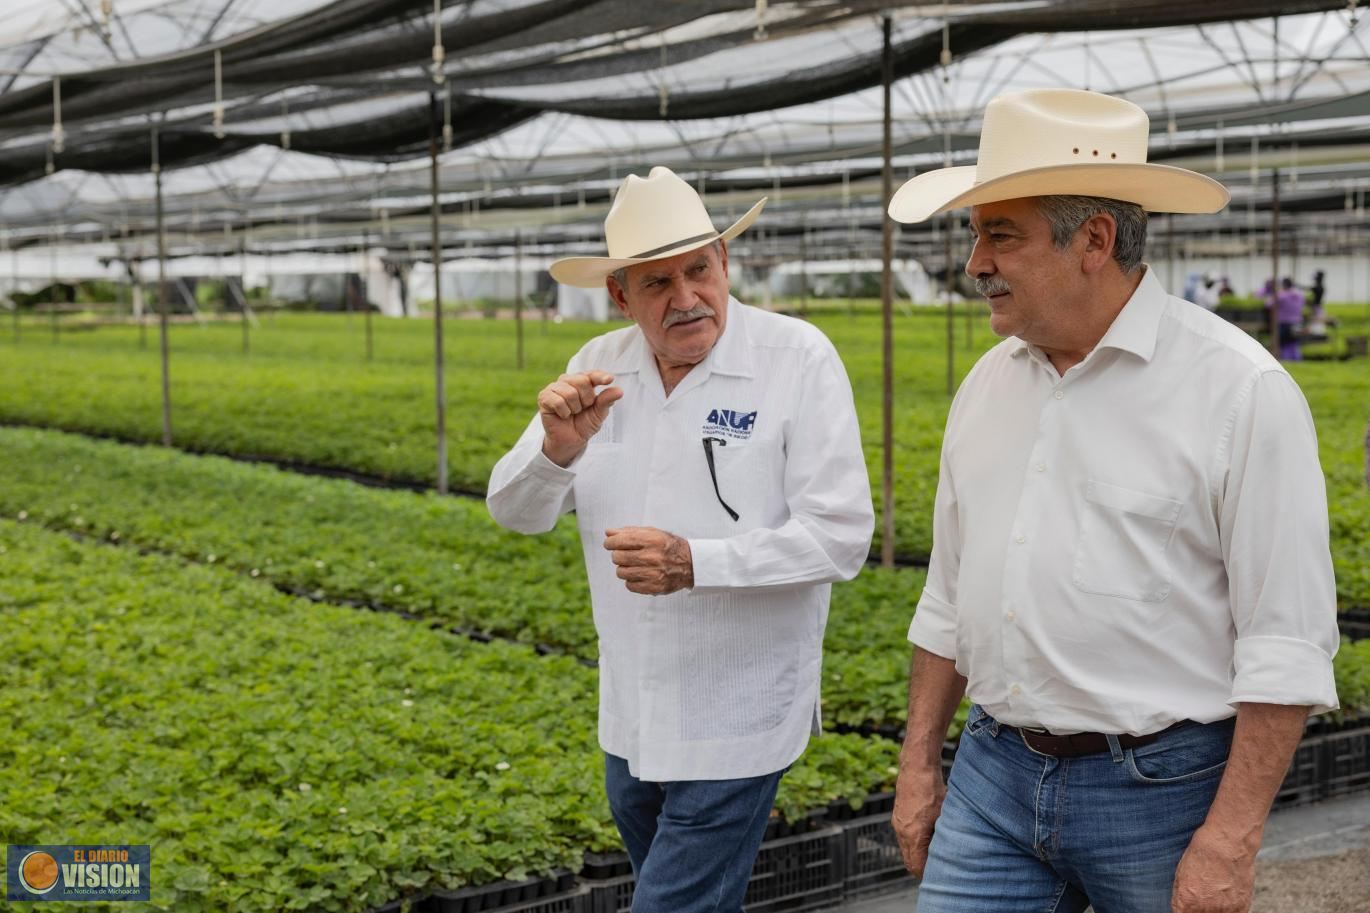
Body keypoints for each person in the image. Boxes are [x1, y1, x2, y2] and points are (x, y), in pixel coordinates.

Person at [886, 88, 1339, 913]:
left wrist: (1231, 838)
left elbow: (1286, 639)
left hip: (1162, 788)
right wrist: (918, 763)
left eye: (1001, 235)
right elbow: (947, 598)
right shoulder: (987, 385)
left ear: (1094, 239)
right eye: (975, 234)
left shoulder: (1239, 392)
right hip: (992, 774)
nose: (976, 263)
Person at [487, 166, 873, 913]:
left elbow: (840, 537)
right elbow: (515, 511)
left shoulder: (795, 358)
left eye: (700, 269)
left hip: (737, 714)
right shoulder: (596, 368)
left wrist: (694, 562)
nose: (687, 296)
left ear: (726, 262)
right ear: (620, 296)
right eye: (658, 282)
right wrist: (557, 449)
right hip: (630, 716)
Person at [1268, 276, 1307, 361]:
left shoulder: (1281, 295)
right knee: (1294, 343)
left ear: (1283, 285)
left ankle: (1285, 360)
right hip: (1298, 322)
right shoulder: (1300, 295)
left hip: (1284, 323)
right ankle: (1297, 360)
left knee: (1283, 343)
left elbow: (1269, 304)